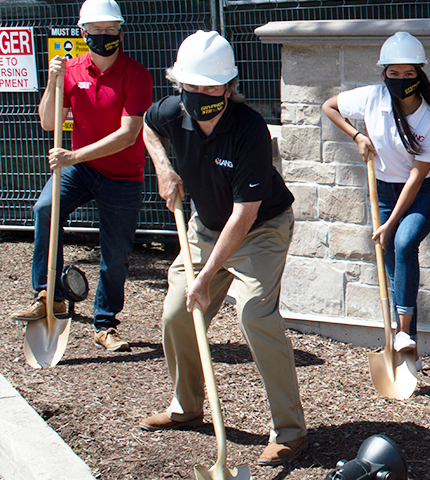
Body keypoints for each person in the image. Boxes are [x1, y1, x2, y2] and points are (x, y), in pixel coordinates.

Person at [138, 30, 308, 466]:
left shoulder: (249, 130)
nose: (200, 96)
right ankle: (187, 407)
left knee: (255, 315)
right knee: (178, 312)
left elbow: (244, 216)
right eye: (191, 87)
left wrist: (206, 276)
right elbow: (146, 126)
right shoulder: (172, 112)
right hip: (205, 228)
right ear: (180, 86)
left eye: (211, 88)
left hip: (259, 232)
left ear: (229, 87)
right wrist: (163, 170)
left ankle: (289, 431)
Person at [11, 0, 152, 353]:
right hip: (82, 169)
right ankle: (50, 296)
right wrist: (52, 81)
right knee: (45, 209)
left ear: (120, 31)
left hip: (122, 176)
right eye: (96, 30)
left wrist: (73, 155)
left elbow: (128, 134)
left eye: (110, 29)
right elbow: (48, 122)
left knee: (115, 252)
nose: (104, 36)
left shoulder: (137, 74)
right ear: (82, 31)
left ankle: (105, 324)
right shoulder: (71, 70)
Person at [321, 31, 430, 367]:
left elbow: (417, 176)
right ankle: (409, 351)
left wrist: (390, 223)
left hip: (423, 192)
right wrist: (357, 135)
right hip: (384, 190)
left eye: (409, 74)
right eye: (394, 73)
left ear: (419, 75)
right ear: (384, 74)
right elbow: (329, 106)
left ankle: (403, 332)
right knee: (397, 273)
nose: (401, 80)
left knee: (404, 243)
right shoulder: (373, 98)